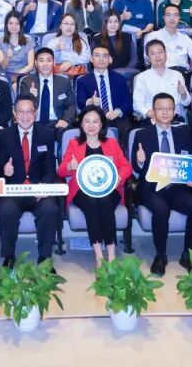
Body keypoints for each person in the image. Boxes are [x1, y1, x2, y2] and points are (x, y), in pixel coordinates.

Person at [130, 93, 192, 275]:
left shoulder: (184, 133)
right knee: (161, 210)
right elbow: (136, 168)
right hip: (151, 188)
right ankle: (160, 255)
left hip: (177, 188)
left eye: (169, 109)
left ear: (174, 111)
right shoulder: (142, 134)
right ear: (153, 111)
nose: (165, 112)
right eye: (160, 109)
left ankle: (189, 255)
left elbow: (190, 161)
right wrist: (140, 161)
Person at [59, 106, 132, 267]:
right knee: (92, 202)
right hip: (82, 190)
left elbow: (127, 167)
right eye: (87, 121)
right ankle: (98, 255)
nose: (91, 125)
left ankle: (111, 254)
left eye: (95, 122)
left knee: (104, 200)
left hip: (110, 189)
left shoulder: (112, 143)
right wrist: (70, 166)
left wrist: (119, 177)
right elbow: (61, 170)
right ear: (81, 124)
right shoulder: (74, 143)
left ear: (101, 124)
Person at [0, 96, 60, 266]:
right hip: (14, 190)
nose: (25, 116)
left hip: (38, 189)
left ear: (36, 113)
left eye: (29, 111)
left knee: (50, 209)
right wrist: (4, 169)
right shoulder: (4, 135)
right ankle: (9, 257)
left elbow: (50, 167)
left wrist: (44, 187)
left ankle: (45, 258)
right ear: (14, 113)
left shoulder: (46, 134)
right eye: (21, 112)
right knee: (6, 210)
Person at [75, 45, 133, 140]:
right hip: (94, 119)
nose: (101, 59)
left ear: (110, 59)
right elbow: (80, 102)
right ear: (91, 59)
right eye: (97, 55)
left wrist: (117, 112)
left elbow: (128, 103)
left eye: (105, 56)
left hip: (116, 118)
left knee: (126, 131)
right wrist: (90, 102)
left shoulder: (119, 79)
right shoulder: (83, 80)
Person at [132, 39, 191, 121]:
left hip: (176, 118)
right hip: (153, 119)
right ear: (148, 58)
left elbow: (186, 102)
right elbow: (137, 104)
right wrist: (149, 113)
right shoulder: (141, 78)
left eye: (160, 52)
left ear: (165, 54)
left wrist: (183, 94)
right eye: (153, 53)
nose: (157, 56)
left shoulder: (177, 75)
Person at [18, 48, 76, 130]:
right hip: (33, 124)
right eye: (41, 61)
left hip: (57, 124)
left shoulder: (63, 82)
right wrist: (30, 96)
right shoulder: (27, 81)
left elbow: (71, 105)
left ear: (54, 62)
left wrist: (65, 120)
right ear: (36, 63)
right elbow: (21, 106)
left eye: (49, 60)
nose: (45, 64)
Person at [149, 4, 192, 71]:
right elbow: (147, 58)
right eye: (168, 15)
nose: (172, 18)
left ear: (179, 18)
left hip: (182, 72)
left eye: (175, 15)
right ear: (164, 17)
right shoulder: (153, 36)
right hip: (161, 72)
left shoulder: (185, 39)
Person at [0, 10, 35, 80]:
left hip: (23, 75)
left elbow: (31, 66)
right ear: (6, 25)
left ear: (21, 25)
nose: (14, 26)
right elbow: (3, 67)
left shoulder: (28, 41)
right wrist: (7, 57)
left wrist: (17, 76)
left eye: (17, 23)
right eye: (11, 23)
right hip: (6, 76)